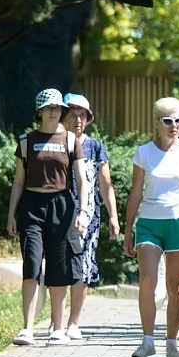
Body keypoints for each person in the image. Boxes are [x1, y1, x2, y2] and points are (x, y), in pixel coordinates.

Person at [123, 97, 179, 357]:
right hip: (149, 222)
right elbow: (135, 193)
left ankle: (172, 341)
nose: (174, 125)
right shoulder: (144, 153)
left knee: (177, 287)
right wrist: (128, 230)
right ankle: (148, 340)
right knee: (147, 280)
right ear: (157, 122)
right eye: (168, 120)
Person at [8, 88, 89, 347]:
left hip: (62, 206)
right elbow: (18, 181)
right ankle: (27, 329)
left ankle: (58, 328)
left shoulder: (69, 140)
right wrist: (12, 214)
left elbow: (82, 181)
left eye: (58, 108)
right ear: (40, 112)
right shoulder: (25, 141)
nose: (55, 112)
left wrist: (84, 212)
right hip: (31, 206)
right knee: (31, 264)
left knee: (59, 266)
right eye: (49, 108)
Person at [57, 93, 120, 340]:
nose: (78, 119)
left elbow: (106, 185)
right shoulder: (56, 143)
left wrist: (114, 217)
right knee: (58, 266)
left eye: (82, 115)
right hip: (59, 214)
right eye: (72, 114)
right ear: (63, 117)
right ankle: (57, 323)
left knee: (82, 268)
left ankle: (74, 322)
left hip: (88, 219)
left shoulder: (95, 147)